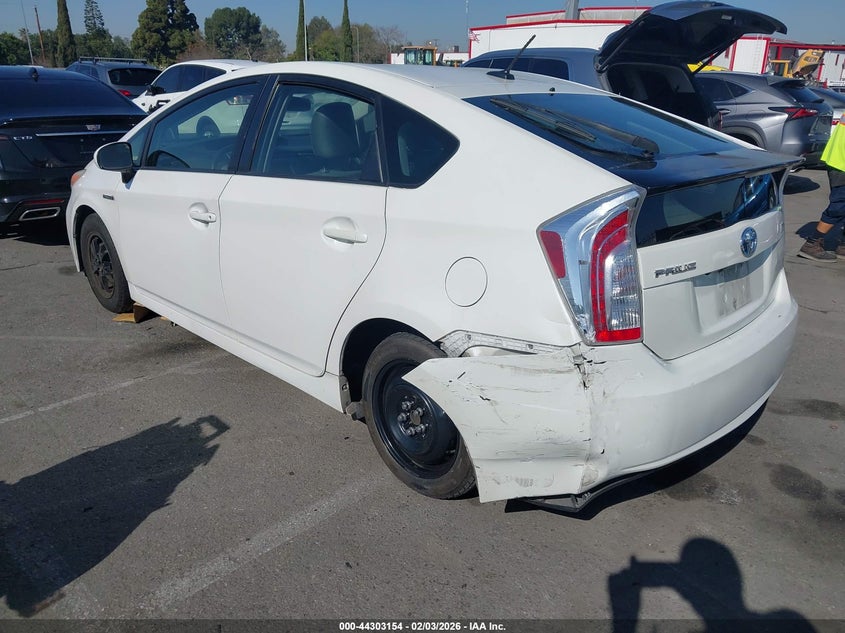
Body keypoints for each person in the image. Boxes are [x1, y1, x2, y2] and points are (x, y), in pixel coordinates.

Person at [798, 113, 845, 262]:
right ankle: (812, 244)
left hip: (839, 159)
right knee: (839, 206)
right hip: (841, 163)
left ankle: (843, 245)